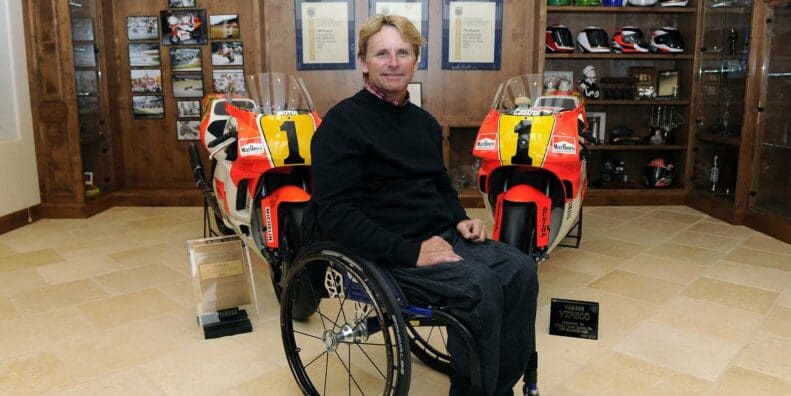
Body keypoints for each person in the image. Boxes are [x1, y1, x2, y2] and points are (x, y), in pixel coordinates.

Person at [310, 14, 539, 396]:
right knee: (478, 285)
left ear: (416, 60)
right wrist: (413, 253)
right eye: (381, 53)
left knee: (520, 269)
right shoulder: (341, 125)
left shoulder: (424, 123)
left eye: (403, 52)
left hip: (441, 236)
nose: (393, 61)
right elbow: (333, 214)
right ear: (363, 62)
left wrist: (460, 219)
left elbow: (438, 186)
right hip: (386, 253)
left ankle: (498, 387)